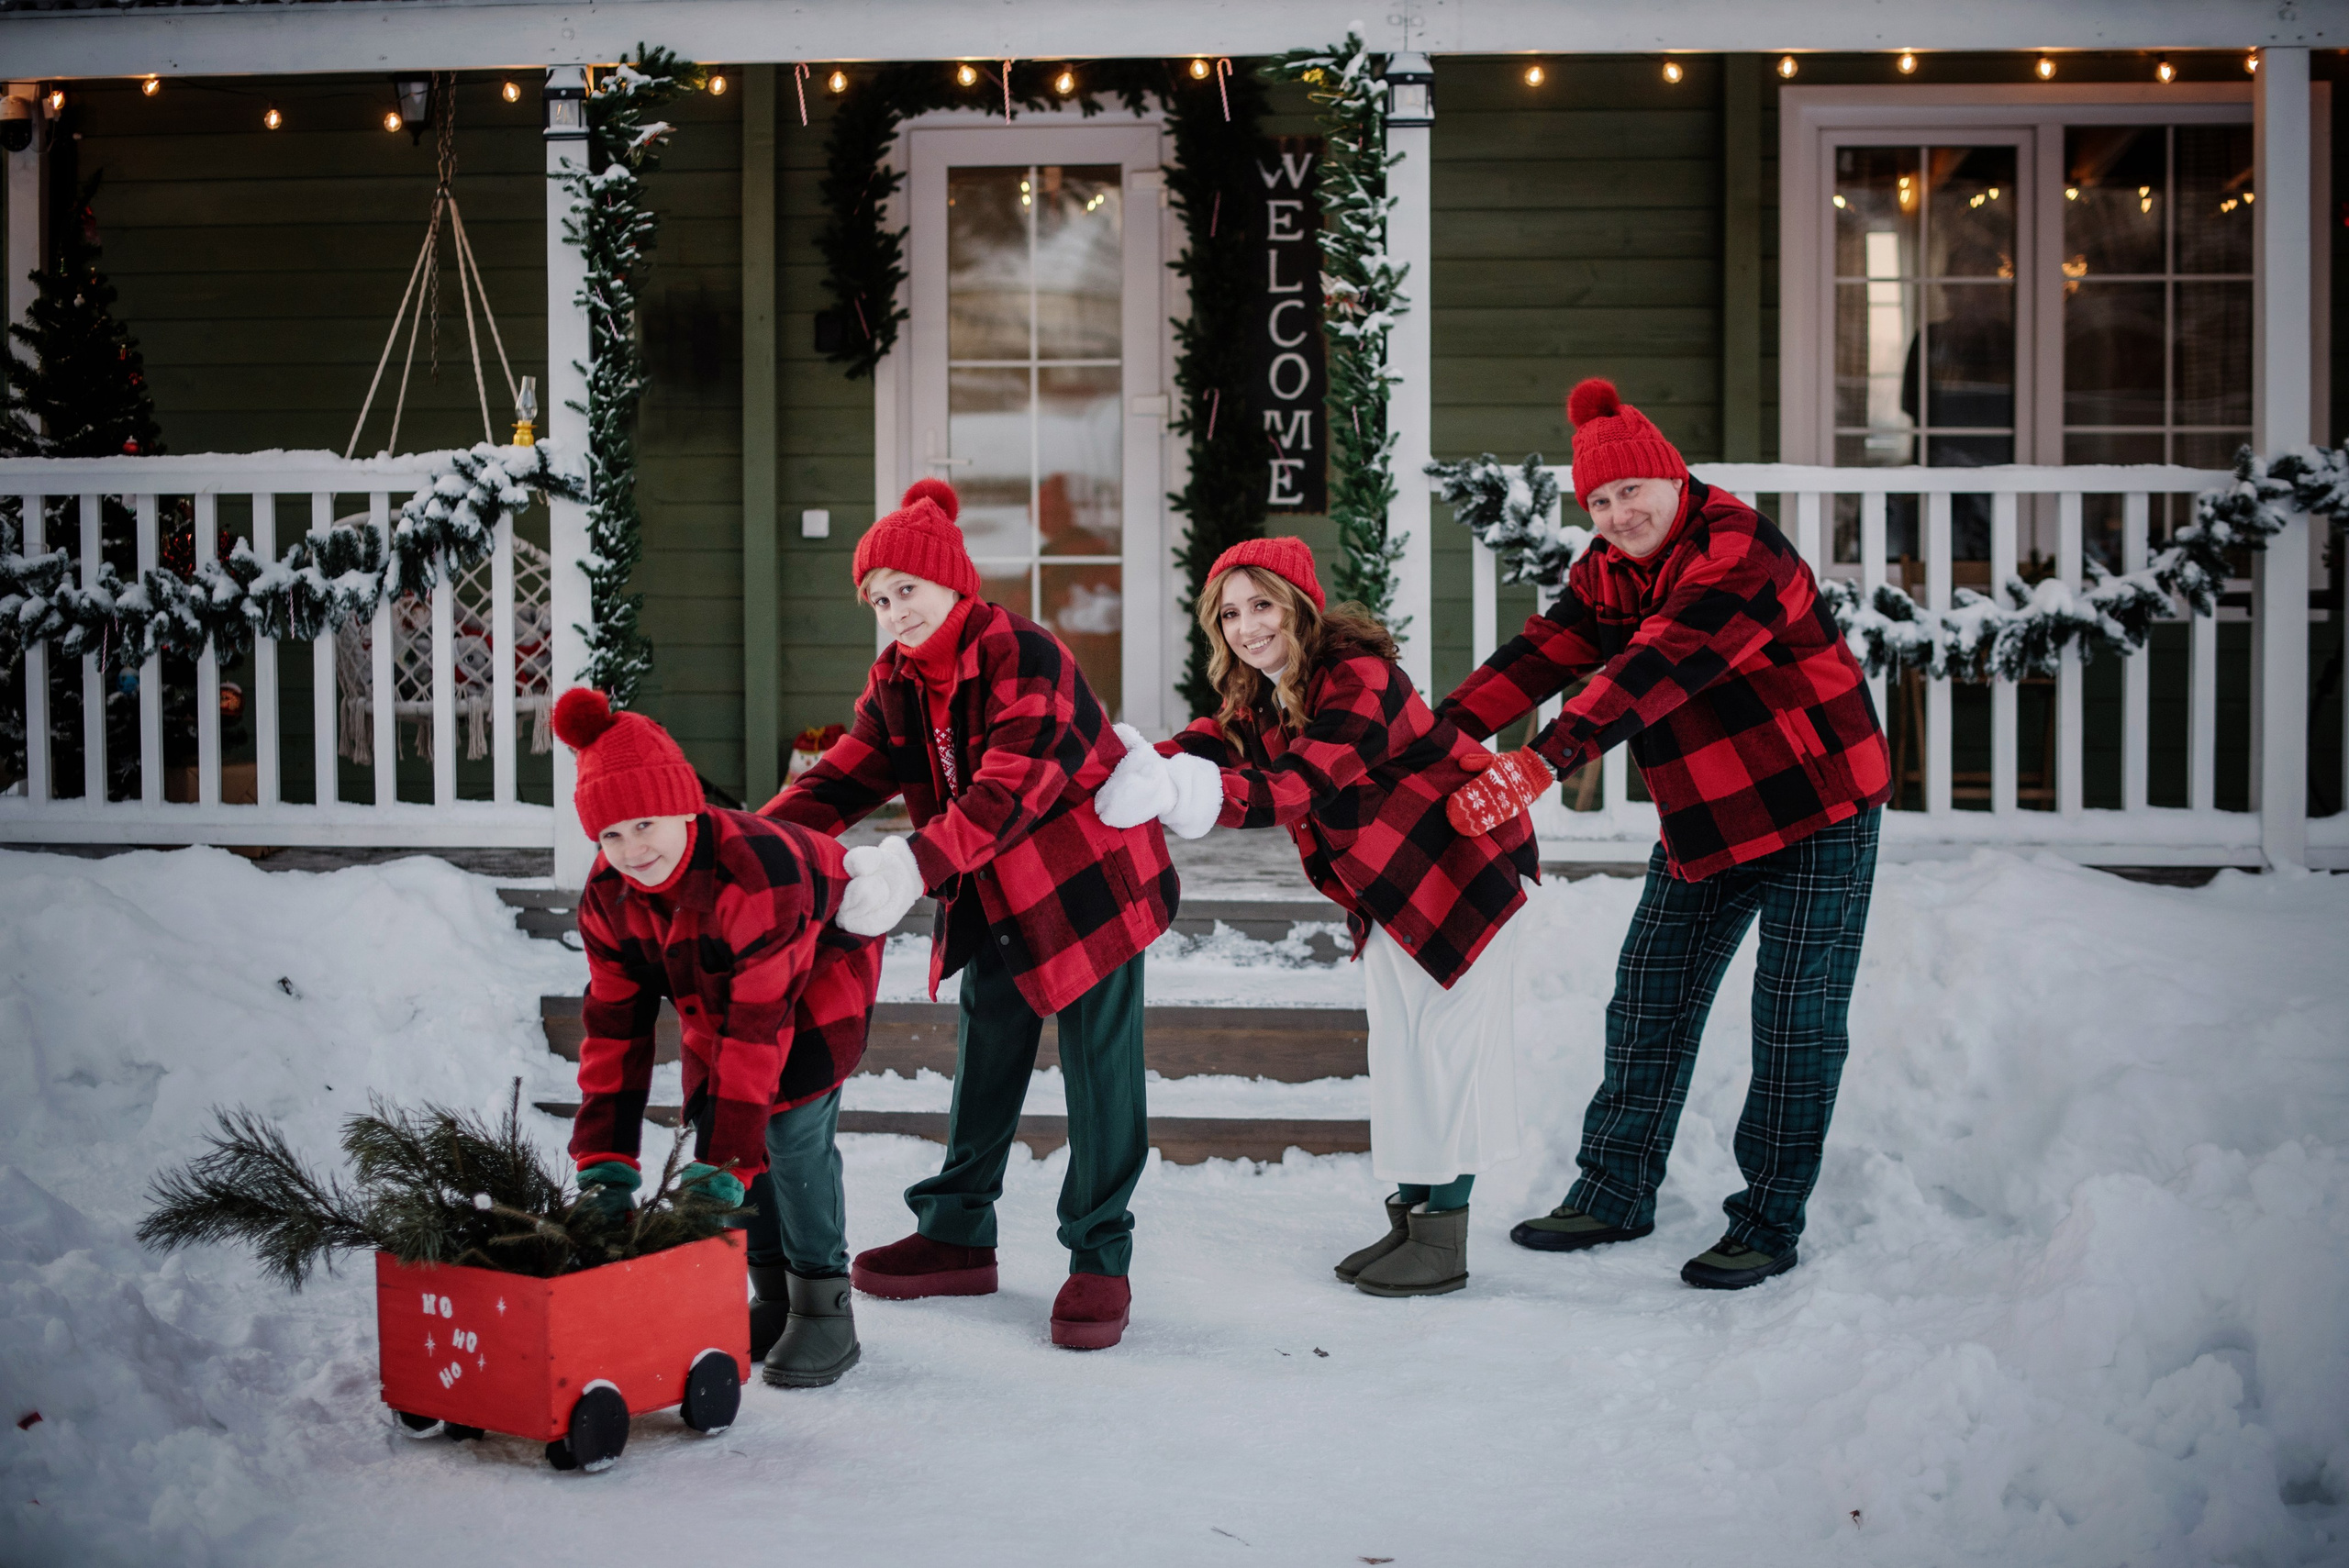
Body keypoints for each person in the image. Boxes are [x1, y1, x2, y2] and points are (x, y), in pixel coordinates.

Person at [1440, 378, 1891, 1291]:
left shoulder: (1737, 549)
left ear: (1672, 476)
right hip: (1711, 813)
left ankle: (1767, 1220)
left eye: (1629, 491)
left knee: (1793, 1022)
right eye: (1597, 502)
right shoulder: (1609, 567)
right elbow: (1545, 649)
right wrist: (1435, 735)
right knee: (1648, 996)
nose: (1615, 513)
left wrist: (1543, 759)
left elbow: (1659, 662)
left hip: (1818, 807)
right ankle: (1613, 1192)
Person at [763, 478, 1177, 1351]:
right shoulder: (899, 680)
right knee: (987, 1050)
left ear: (954, 581)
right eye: (879, 599)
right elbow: (841, 777)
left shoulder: (1029, 655)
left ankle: (1100, 1256)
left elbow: (1007, 794)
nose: (894, 611)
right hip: (987, 888)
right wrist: (746, 846)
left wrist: (908, 863)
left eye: (906, 589)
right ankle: (956, 1230)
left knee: (1099, 1071)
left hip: (1084, 885)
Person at [1096, 538, 1538, 1297]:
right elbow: (1208, 742)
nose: (1246, 625)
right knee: (1404, 1056)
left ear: (1299, 602)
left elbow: (1301, 785)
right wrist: (1124, 762)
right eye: (1229, 613)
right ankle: (1413, 1222)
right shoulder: (1265, 693)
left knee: (1447, 1058)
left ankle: (1446, 1238)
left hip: (1465, 878)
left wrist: (1182, 795)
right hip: (1393, 890)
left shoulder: (1358, 676)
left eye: (1260, 604)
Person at [556, 686, 886, 1389]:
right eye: (610, 835)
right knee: (715, 1116)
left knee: (788, 1125)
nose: (630, 849)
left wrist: (723, 1166)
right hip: (714, 991)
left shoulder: (753, 871)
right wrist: (605, 1161)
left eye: (644, 823)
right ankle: (770, 1298)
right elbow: (614, 1031)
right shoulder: (608, 899)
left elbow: (758, 1029)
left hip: (817, 971)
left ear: (686, 806)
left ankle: (824, 1305)